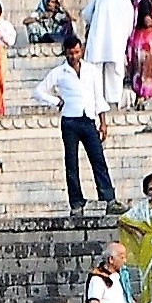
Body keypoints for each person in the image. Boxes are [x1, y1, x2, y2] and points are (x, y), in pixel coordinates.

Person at [37, 38, 115, 212]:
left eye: (76, 52)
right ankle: (76, 203)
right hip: (70, 121)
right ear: (65, 52)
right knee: (71, 163)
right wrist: (56, 102)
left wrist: (103, 122)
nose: (74, 56)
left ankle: (109, 198)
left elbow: (98, 97)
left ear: (82, 51)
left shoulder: (91, 70)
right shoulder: (59, 72)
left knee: (98, 160)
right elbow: (39, 91)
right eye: (70, 53)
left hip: (88, 120)